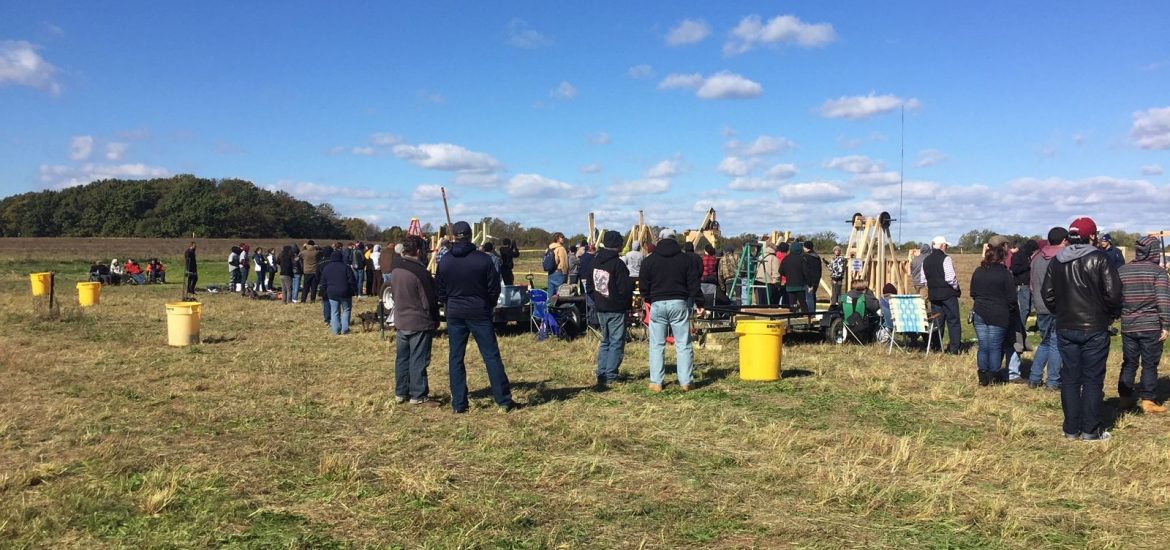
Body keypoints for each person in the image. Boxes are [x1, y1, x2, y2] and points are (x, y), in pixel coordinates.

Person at [1041, 217, 1122, 441]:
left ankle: (1070, 429)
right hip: (1094, 327)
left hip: (1066, 326)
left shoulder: (1057, 261)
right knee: (1092, 380)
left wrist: (1062, 312)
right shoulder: (1100, 258)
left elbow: (1047, 294)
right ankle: (1090, 430)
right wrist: (1109, 314)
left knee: (1070, 378)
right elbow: (1113, 294)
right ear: (1092, 235)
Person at [438, 221, 516, 413]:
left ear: (454, 236)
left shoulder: (446, 261)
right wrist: (487, 304)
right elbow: (494, 287)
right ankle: (503, 401)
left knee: (456, 358)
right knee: (491, 356)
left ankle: (459, 404)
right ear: (471, 235)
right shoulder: (482, 260)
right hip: (479, 311)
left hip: (455, 312)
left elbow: (439, 290)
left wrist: (449, 303)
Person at [640, 229, 704, 392]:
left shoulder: (649, 260)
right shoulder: (685, 259)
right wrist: (699, 302)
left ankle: (656, 382)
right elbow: (693, 282)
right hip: (679, 302)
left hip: (657, 303)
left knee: (656, 344)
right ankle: (686, 381)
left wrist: (648, 298)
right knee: (683, 344)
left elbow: (643, 285)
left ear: (659, 240)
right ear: (675, 240)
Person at [1116, 236, 1170, 414]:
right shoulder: (1158, 272)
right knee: (1149, 364)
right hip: (1151, 325)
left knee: (1129, 362)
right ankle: (1148, 399)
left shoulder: (1122, 270)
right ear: (1153, 252)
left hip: (1129, 324)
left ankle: (1124, 397)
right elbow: (1163, 300)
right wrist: (1166, 325)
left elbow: (1116, 298)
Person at [390, 235, 441, 407]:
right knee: (418, 359)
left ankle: (400, 392)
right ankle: (418, 395)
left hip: (401, 319)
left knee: (402, 358)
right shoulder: (420, 273)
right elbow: (429, 300)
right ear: (419, 251)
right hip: (418, 321)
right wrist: (435, 319)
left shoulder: (395, 267)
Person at [590, 230, 634, 391]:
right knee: (616, 342)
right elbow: (624, 289)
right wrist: (624, 304)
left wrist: (597, 299)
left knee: (606, 340)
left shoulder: (595, 261)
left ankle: (602, 372)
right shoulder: (618, 264)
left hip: (601, 307)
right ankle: (610, 375)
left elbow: (589, 285)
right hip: (615, 308)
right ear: (617, 245)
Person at [970, 246, 1016, 386]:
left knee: (984, 345)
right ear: (1002, 258)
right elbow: (1012, 298)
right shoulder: (1005, 274)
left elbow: (973, 293)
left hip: (979, 311)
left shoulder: (978, 271)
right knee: (995, 346)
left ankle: (983, 376)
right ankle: (993, 376)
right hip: (999, 313)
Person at [1029, 228, 1067, 390]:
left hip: (1040, 305)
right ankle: (1053, 381)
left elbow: (1032, 285)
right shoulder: (1063, 257)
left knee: (1045, 342)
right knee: (1056, 343)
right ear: (1064, 240)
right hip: (1058, 305)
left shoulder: (1036, 257)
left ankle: (1034, 377)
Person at [924, 236, 962, 354]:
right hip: (948, 295)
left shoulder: (926, 260)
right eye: (946, 245)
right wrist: (957, 288)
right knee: (953, 321)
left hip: (934, 296)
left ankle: (936, 347)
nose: (947, 247)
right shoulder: (946, 259)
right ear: (941, 246)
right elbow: (950, 278)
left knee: (937, 322)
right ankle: (954, 348)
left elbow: (924, 280)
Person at [320, 249, 356, 335]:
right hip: (345, 292)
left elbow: (323, 282)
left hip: (331, 292)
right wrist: (353, 291)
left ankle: (335, 330)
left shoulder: (327, 268)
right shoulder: (346, 267)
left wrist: (324, 292)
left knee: (334, 311)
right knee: (346, 309)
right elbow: (352, 280)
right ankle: (345, 329)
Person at [779, 243, 810, 314]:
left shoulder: (786, 259)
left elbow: (780, 270)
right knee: (803, 303)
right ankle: (806, 316)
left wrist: (787, 275)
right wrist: (809, 283)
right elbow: (806, 272)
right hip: (800, 286)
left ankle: (793, 316)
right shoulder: (802, 259)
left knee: (792, 303)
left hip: (790, 285)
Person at [755, 239, 781, 305]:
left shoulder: (761, 256)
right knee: (768, 301)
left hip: (759, 279)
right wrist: (776, 281)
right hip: (768, 281)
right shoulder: (774, 258)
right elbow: (776, 272)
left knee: (761, 300)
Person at [802, 241, 823, 313]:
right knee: (812, 296)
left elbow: (806, 271)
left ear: (807, 248)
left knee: (808, 298)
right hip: (816, 280)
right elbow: (820, 269)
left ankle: (810, 314)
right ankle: (813, 311)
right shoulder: (817, 257)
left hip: (809, 281)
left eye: (804, 247)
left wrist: (809, 283)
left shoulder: (805, 257)